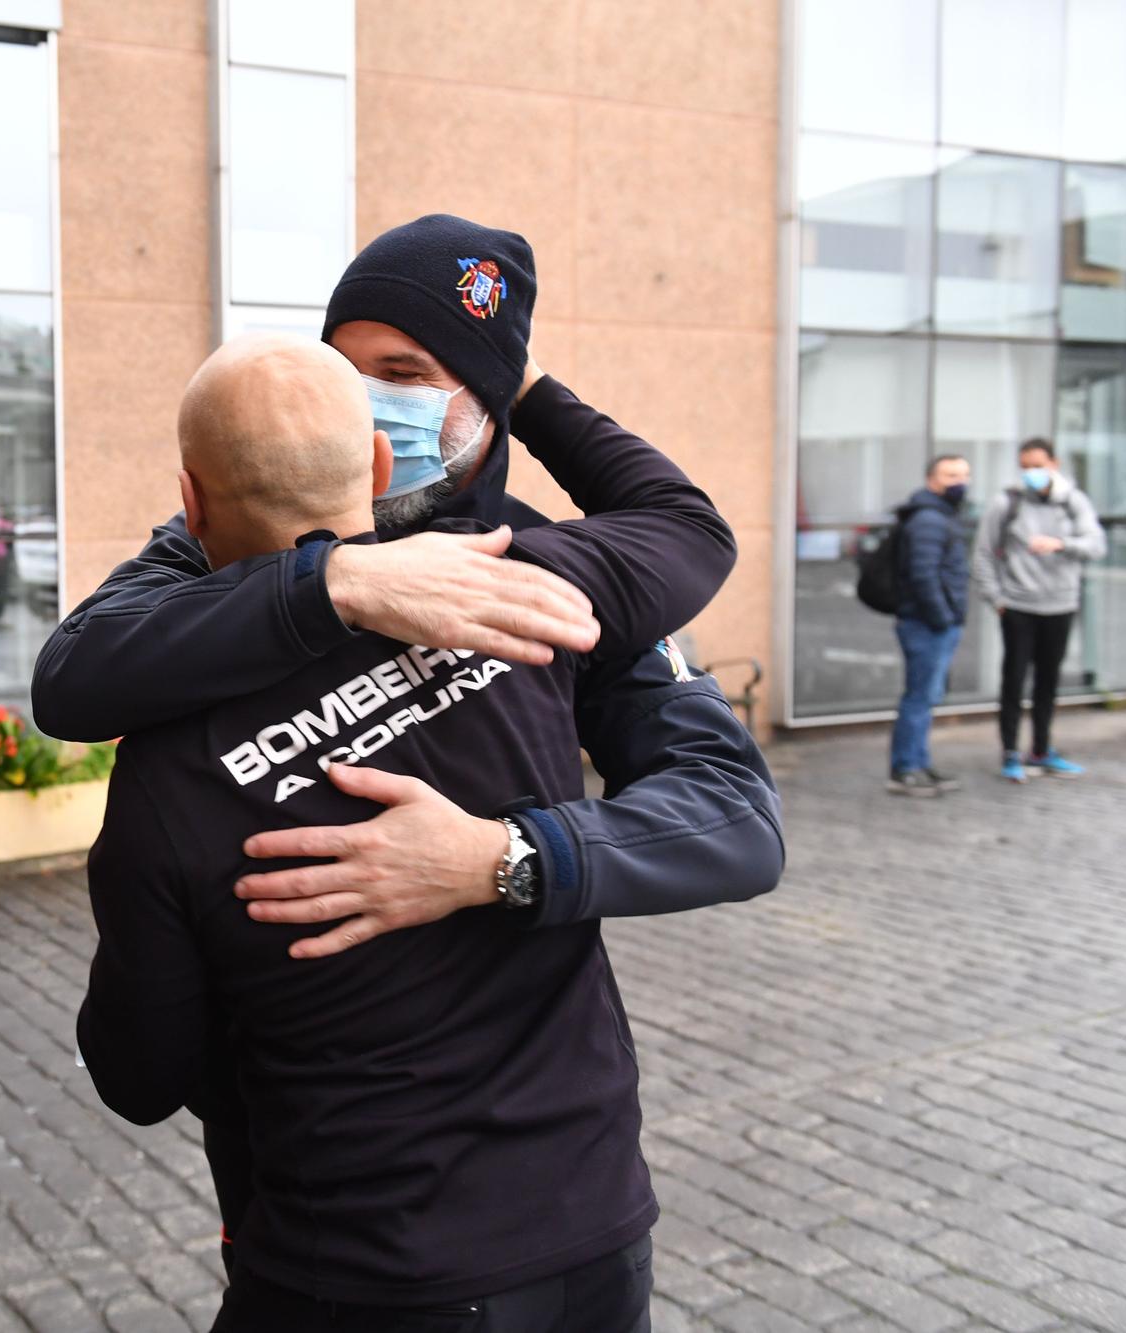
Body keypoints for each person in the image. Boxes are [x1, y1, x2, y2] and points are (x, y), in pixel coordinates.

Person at [78, 331, 776, 1331]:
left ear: (188, 504)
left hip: (357, 1269)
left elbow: (138, 1074)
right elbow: (679, 527)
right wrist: (519, 380)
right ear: (372, 463)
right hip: (592, 1233)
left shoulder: (165, 769)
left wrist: (499, 858)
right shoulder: (522, 599)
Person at [971, 437, 1106, 782]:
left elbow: (1096, 544)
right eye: (1025, 466)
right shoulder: (1007, 502)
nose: (1031, 472)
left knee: (1048, 681)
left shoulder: (1073, 501)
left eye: (1038, 465)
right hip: (1018, 606)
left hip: (1060, 605)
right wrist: (997, 599)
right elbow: (983, 554)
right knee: (1014, 681)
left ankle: (1042, 750)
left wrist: (1061, 544)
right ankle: (1010, 753)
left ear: (1053, 464)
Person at [887, 455, 972, 797]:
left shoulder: (941, 517)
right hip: (926, 624)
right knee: (919, 698)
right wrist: (942, 617)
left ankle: (919, 764)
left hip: (936, 623)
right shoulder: (928, 521)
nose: (960, 482)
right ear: (931, 480)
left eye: (964, 475)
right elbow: (924, 576)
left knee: (926, 697)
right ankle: (905, 769)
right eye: (951, 475)